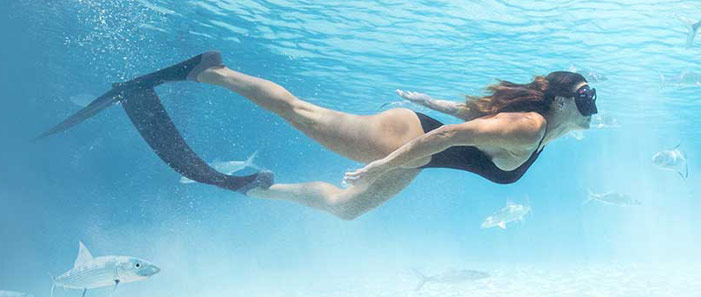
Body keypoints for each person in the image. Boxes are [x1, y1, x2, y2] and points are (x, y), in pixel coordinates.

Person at [39, 52, 597, 220]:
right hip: (403, 143)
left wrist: (428, 101)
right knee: (300, 112)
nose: (595, 108)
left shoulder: (536, 125)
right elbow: (449, 136)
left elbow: (469, 116)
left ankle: (255, 187)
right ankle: (210, 70)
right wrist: (384, 165)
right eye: (589, 97)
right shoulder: (528, 127)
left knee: (345, 209)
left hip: (412, 151)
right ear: (563, 100)